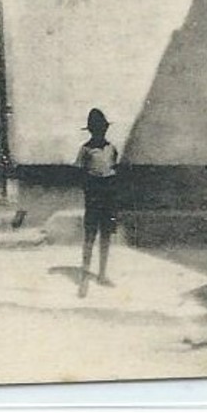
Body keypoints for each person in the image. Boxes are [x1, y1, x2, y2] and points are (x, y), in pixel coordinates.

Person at [75, 106, 119, 297]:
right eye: (96, 129)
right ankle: (84, 277)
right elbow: (79, 173)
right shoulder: (85, 150)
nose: (100, 132)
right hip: (93, 194)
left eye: (103, 129)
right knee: (90, 235)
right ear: (92, 131)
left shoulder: (111, 148)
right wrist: (90, 190)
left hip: (109, 194)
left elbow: (114, 169)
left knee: (106, 234)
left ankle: (102, 274)